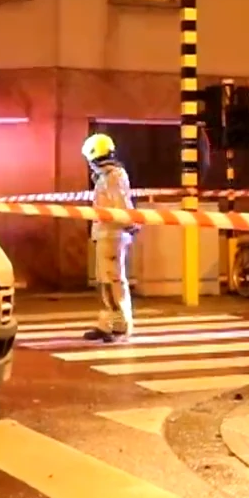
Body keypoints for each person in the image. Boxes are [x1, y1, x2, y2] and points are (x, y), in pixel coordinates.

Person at [83, 132, 137, 343]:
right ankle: (108, 322)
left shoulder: (114, 176)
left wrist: (130, 224)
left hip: (113, 234)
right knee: (106, 281)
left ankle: (120, 325)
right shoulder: (106, 176)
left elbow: (122, 204)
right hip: (105, 234)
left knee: (114, 281)